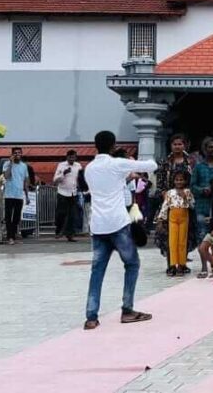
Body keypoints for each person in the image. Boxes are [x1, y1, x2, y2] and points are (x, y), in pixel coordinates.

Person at [83, 130, 156, 330]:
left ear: (95, 145)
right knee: (132, 264)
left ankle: (91, 316)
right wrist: (131, 161)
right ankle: (127, 309)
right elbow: (152, 165)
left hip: (98, 225)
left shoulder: (89, 168)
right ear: (113, 145)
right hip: (118, 223)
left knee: (97, 271)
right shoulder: (117, 164)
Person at [153, 134, 198, 231]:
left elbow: (195, 180)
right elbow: (160, 182)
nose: (177, 146)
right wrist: (164, 193)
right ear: (171, 145)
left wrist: (187, 194)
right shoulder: (165, 162)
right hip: (169, 199)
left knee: (186, 232)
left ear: (184, 145)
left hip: (187, 199)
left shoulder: (191, 162)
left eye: (180, 144)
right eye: (175, 144)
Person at [156, 170, 194, 277]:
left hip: (184, 216)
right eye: (177, 180)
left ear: (185, 181)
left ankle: (181, 265)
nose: (179, 182)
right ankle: (172, 264)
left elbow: (191, 205)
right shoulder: (170, 192)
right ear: (173, 181)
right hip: (172, 217)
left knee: (182, 241)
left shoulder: (187, 192)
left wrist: (185, 197)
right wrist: (160, 219)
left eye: (181, 180)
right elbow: (165, 206)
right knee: (172, 241)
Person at [2, 147, 32, 245]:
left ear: (22, 154)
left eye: (19, 153)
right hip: (9, 194)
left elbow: (26, 181)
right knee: (8, 217)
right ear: (12, 154)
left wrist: (27, 195)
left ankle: (13, 236)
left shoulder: (24, 166)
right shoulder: (7, 164)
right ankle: (9, 237)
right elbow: (6, 176)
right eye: (15, 153)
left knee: (16, 217)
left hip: (19, 195)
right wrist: (11, 163)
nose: (17, 154)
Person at [53, 149, 82, 242]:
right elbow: (55, 180)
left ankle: (70, 235)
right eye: (70, 157)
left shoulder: (78, 166)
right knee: (61, 213)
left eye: (73, 157)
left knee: (72, 215)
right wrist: (63, 173)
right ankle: (58, 230)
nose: (71, 159)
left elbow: (80, 178)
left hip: (73, 193)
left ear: (75, 157)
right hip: (62, 193)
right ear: (67, 157)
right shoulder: (61, 165)